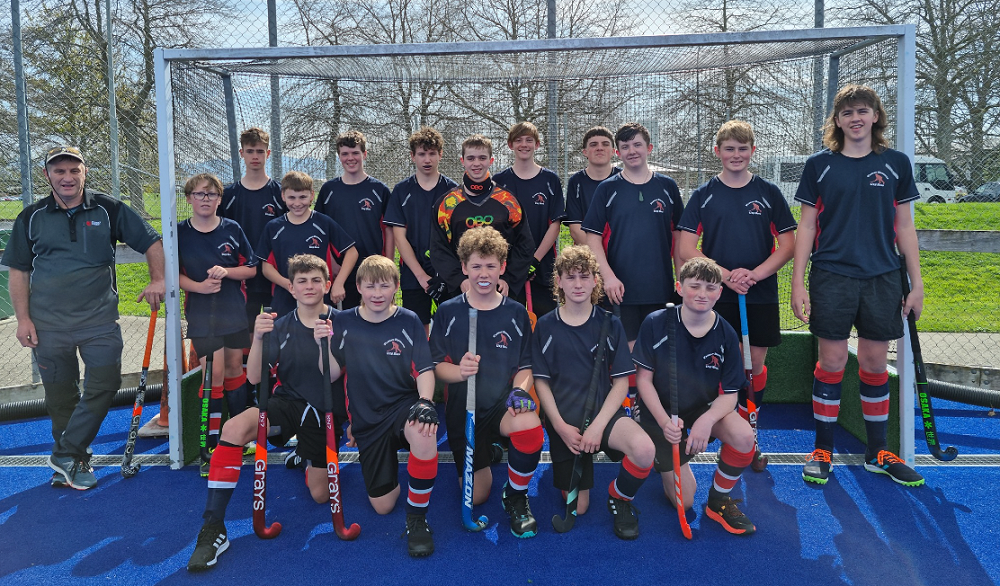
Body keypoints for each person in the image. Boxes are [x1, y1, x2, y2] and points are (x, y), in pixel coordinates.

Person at [2, 145, 165, 490]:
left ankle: (65, 453)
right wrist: (23, 319)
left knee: (105, 385)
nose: (67, 177)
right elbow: (18, 271)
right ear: (47, 175)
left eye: (74, 170)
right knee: (61, 398)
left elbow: (152, 242)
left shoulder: (108, 208)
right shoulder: (31, 216)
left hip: (99, 322)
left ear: (84, 172)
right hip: (48, 326)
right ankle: (73, 462)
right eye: (59, 171)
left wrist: (157, 279)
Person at [791, 84, 925, 487]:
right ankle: (822, 449)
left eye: (863, 111)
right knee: (832, 361)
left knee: (874, 363)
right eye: (847, 113)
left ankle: (877, 452)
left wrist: (916, 284)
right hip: (832, 275)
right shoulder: (819, 165)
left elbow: (905, 227)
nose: (855, 118)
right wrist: (798, 283)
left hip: (883, 277)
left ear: (875, 116)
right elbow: (806, 226)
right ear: (837, 120)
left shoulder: (896, 163)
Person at [187, 254, 347, 571]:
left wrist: (323, 342)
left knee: (320, 495)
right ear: (291, 287)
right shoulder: (280, 325)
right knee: (233, 429)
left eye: (316, 280)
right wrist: (258, 337)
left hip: (324, 411)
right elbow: (253, 378)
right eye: (302, 281)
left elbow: (332, 375)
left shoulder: (342, 322)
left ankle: (305, 456)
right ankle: (213, 528)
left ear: (327, 285)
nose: (309, 286)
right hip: (286, 404)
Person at [676, 120, 797, 465]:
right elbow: (686, 247)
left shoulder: (768, 192)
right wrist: (726, 276)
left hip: (759, 293)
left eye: (743, 149)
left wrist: (754, 275)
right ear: (717, 152)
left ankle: (748, 435)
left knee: (753, 365)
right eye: (729, 148)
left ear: (752, 151)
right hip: (716, 294)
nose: (736, 154)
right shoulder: (704, 194)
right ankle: (711, 427)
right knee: (714, 362)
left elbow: (788, 245)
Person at [532, 245, 655, 540]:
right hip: (567, 424)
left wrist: (598, 427)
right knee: (580, 507)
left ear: (595, 281)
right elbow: (541, 383)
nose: (578, 284)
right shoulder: (545, 326)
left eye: (584, 276)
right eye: (570, 277)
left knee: (644, 450)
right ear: (559, 281)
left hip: (603, 415)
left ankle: (619, 497)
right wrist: (559, 427)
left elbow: (621, 382)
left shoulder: (610, 323)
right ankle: (570, 464)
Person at [429, 227, 542, 538]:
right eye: (476, 266)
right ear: (464, 267)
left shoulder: (516, 313)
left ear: (502, 267)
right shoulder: (449, 311)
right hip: (463, 411)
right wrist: (460, 372)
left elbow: (526, 365)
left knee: (529, 426)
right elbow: (436, 366)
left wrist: (519, 390)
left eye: (490, 266)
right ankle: (491, 450)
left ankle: (516, 496)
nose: (483, 273)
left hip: (501, 405)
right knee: (477, 496)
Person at [323, 255, 440, 557]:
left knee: (425, 430)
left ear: (396, 287)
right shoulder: (342, 322)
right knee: (383, 506)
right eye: (371, 286)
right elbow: (331, 374)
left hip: (402, 407)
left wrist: (425, 402)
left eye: (384, 286)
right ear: (358, 287)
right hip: (367, 421)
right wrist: (320, 345)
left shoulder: (409, 320)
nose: (377, 293)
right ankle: (402, 474)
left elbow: (425, 369)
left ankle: (417, 518)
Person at [633, 257, 757, 535]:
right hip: (660, 413)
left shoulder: (726, 333)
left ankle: (718, 500)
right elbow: (643, 381)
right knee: (685, 500)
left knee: (744, 437)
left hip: (702, 408)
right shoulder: (655, 323)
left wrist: (706, 420)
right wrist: (665, 422)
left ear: (720, 292)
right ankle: (659, 456)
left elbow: (731, 394)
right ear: (679, 288)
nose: (702, 294)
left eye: (710, 288)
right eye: (695, 286)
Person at [178, 173, 258, 476]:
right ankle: (210, 445)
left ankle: (238, 437)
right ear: (189, 198)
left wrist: (227, 272)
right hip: (202, 315)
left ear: (219, 199)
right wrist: (199, 287)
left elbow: (251, 268)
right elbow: (173, 274)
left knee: (236, 368)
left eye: (211, 194)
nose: (205, 199)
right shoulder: (179, 232)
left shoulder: (232, 228)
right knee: (215, 374)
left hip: (233, 311)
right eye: (199, 194)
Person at [582, 122, 683, 347]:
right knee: (628, 355)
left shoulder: (668, 186)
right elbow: (592, 238)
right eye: (625, 146)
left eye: (637, 145)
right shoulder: (607, 189)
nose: (632, 151)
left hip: (660, 289)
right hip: (620, 291)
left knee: (659, 353)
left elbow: (678, 236)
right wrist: (608, 277)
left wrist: (681, 278)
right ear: (618, 153)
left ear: (649, 148)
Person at [429, 134, 534, 300]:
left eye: (482, 158)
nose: (476, 163)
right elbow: (438, 248)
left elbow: (525, 245)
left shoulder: (508, 201)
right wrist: (459, 280)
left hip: (502, 290)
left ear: (491, 161)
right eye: (471, 158)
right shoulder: (446, 204)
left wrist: (508, 279)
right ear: (462, 161)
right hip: (462, 291)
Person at [383, 127, 458, 332]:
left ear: (440, 155)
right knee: (417, 330)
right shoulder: (402, 190)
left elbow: (457, 237)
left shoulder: (452, 191)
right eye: (422, 154)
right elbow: (399, 238)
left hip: (448, 274)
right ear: (412, 156)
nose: (427, 159)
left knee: (450, 329)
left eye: (432, 153)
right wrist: (420, 276)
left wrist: (445, 273)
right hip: (413, 274)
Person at [256, 170, 358, 317]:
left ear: (311, 195)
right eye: (292, 197)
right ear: (283, 196)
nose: (297, 203)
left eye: (303, 197)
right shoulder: (273, 227)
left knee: (321, 331)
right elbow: (266, 268)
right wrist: (289, 285)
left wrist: (339, 283)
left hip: (319, 298)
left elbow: (352, 252)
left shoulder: (323, 223)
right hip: (285, 299)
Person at [316, 130, 393, 309]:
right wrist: (332, 263)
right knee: (344, 320)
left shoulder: (379, 190)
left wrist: (388, 265)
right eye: (345, 154)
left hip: (372, 268)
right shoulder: (329, 190)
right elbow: (320, 230)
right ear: (339, 156)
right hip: (339, 270)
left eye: (355, 153)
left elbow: (389, 230)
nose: (350, 158)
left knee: (374, 317)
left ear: (364, 154)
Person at [495, 121, 565, 317]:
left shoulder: (550, 180)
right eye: (518, 140)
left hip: (543, 265)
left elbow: (555, 225)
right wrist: (518, 264)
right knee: (510, 323)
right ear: (510, 145)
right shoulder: (499, 182)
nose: (524, 144)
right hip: (510, 269)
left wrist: (534, 260)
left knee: (544, 322)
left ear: (537, 144)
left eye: (529, 140)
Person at [220, 127, 287, 332]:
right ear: (242, 153)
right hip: (242, 277)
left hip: (275, 275)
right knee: (245, 333)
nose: (255, 156)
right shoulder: (229, 195)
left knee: (276, 330)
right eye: (250, 151)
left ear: (268, 153)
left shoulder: (281, 193)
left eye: (260, 151)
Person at [564, 126, 620, 246]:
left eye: (605, 144)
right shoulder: (576, 181)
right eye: (594, 144)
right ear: (585, 152)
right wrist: (597, 253)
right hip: (588, 251)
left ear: (613, 151)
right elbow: (575, 229)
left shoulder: (624, 178)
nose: (600, 148)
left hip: (619, 250)